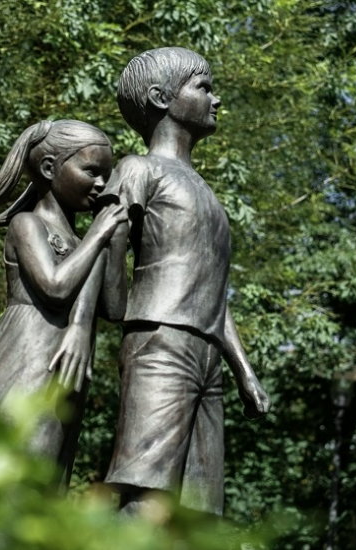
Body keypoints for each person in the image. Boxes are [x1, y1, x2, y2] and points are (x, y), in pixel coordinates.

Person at [102, 47, 271, 516]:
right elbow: (109, 241)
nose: (216, 99)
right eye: (203, 87)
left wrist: (244, 371)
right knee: (146, 488)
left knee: (201, 507)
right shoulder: (139, 169)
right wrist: (116, 309)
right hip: (160, 342)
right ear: (161, 97)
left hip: (207, 354)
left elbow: (212, 294)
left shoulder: (206, 193)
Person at [0, 119, 128, 487]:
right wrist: (98, 234)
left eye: (106, 176)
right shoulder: (28, 225)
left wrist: (117, 237)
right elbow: (55, 287)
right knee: (16, 462)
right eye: (91, 171)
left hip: (67, 366)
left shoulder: (84, 241)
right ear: (49, 168)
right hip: (29, 351)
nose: (101, 183)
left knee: (45, 475)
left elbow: (115, 308)